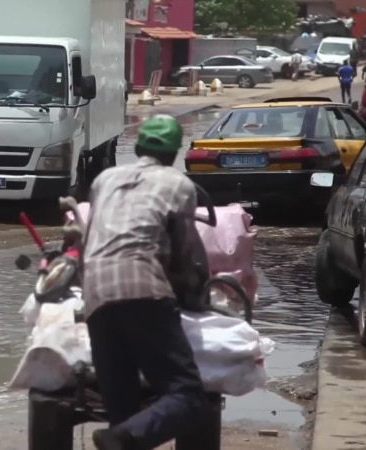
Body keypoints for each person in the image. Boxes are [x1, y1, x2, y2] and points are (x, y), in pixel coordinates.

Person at [83, 115, 212, 450]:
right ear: (173, 154)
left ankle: (122, 433)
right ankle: (126, 436)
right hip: (144, 288)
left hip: (95, 292)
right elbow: (185, 256)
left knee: (121, 407)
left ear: (137, 146)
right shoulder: (179, 185)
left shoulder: (104, 179)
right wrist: (193, 290)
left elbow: (91, 239)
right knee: (189, 395)